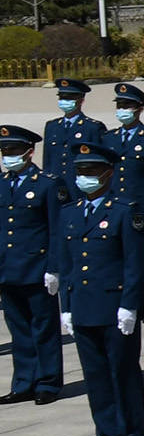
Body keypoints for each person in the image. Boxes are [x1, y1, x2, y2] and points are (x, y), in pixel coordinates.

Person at [49, 138, 144, 436]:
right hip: (82, 306)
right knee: (95, 376)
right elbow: (66, 265)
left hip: (114, 306)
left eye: (91, 171)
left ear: (108, 173)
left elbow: (136, 263)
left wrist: (130, 305)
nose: (84, 177)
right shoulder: (69, 214)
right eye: (80, 171)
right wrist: (66, 307)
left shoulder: (125, 212)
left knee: (123, 373)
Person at [0, 126, 56, 403]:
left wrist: (54, 267)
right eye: (4, 151)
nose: (7, 156)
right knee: (18, 329)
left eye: (12, 151)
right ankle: (23, 381)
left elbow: (56, 229)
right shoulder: (1, 183)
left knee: (43, 327)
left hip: (36, 267)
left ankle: (47, 382)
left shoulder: (46, 183)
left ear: (29, 152)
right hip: (8, 269)